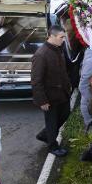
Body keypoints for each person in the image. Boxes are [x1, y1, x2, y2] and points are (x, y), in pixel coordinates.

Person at [31, 24, 72, 157]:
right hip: (50, 97)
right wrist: (42, 100)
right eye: (61, 37)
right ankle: (53, 146)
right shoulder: (41, 55)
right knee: (52, 122)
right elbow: (36, 81)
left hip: (62, 94)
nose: (63, 40)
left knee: (65, 114)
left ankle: (45, 134)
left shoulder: (57, 48)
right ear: (51, 36)